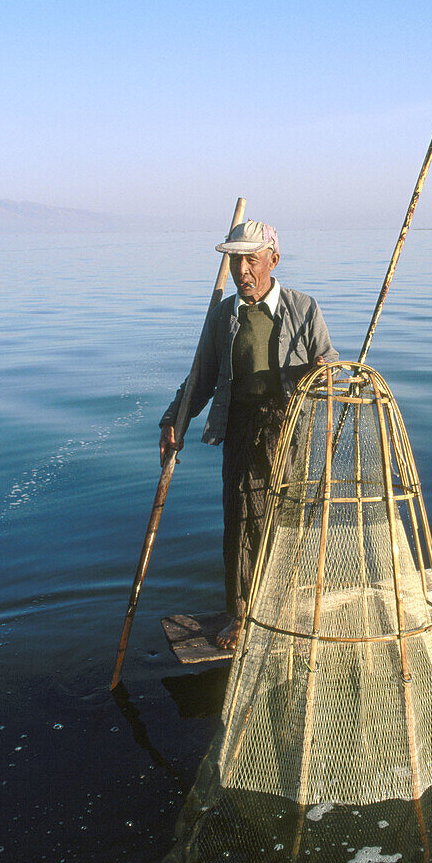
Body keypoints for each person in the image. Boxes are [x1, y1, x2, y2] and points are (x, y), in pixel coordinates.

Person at [159, 220, 338, 650]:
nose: (242, 270)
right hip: (242, 426)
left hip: (291, 428)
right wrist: (173, 423)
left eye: (250, 259)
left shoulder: (302, 307)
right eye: (235, 259)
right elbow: (200, 379)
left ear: (272, 260)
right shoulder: (224, 316)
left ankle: (283, 602)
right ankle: (242, 615)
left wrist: (322, 373)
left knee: (288, 519)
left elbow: (330, 365)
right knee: (242, 521)